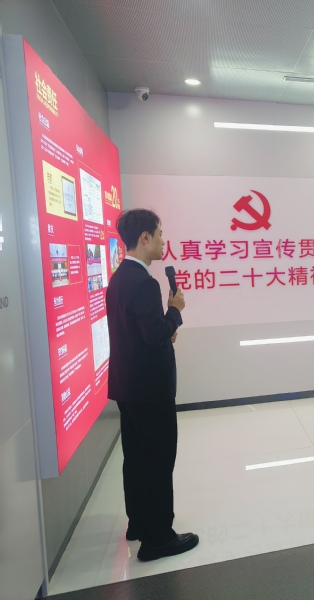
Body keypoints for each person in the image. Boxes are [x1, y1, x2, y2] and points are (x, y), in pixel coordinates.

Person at [106, 209, 199, 561]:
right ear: (144, 237)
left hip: (128, 387)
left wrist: (163, 330)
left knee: (136, 458)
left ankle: (139, 524)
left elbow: (141, 334)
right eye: (159, 234)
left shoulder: (120, 277)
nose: (163, 241)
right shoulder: (145, 283)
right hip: (150, 390)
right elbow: (156, 334)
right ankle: (159, 538)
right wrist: (175, 311)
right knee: (158, 460)